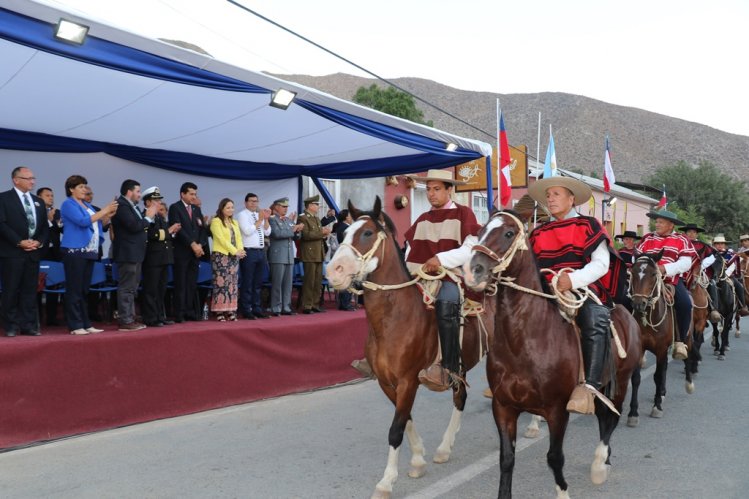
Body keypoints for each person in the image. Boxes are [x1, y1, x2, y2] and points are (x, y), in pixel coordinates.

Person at [527, 176, 625, 414]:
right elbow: (530, 267)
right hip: (545, 288)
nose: (550, 199)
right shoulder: (539, 232)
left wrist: (572, 280)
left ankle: (589, 387)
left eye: (556, 194)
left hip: (581, 287)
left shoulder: (588, 225)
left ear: (571, 199)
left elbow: (601, 264)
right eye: (548, 195)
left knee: (594, 317)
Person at [400, 170, 480, 391]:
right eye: (428, 190)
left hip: (452, 275)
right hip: (421, 275)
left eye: (436, 189)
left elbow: (470, 249)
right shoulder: (422, 219)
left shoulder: (464, 214)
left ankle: (449, 367)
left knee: (447, 302)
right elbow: (410, 251)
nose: (431, 194)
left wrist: (440, 259)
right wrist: (411, 271)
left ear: (449, 190)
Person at [59, 175, 117, 335]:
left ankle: (85, 323)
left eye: (85, 186)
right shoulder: (67, 204)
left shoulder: (87, 205)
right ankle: (75, 325)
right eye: (80, 187)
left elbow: (97, 223)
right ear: (71, 189)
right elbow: (83, 222)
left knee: (84, 289)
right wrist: (104, 210)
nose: (84, 189)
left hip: (89, 251)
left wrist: (107, 217)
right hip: (75, 251)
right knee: (74, 289)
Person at [637, 209, 698, 360]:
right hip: (646, 279)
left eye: (660, 222)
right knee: (625, 300)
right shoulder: (647, 238)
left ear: (671, 225)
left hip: (670, 280)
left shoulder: (681, 239)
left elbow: (686, 263)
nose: (656, 224)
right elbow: (636, 257)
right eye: (656, 222)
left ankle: (680, 341)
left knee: (685, 304)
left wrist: (665, 269)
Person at [0, 167, 49, 337]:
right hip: (12, 253)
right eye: (28, 178)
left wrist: (39, 241)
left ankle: (28, 325)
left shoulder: (38, 201)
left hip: (33, 253)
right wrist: (19, 242)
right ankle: (11, 326)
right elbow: (2, 225)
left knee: (29, 291)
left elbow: (44, 227)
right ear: (16, 180)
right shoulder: (3, 198)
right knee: (11, 290)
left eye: (33, 178)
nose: (32, 181)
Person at [112, 179, 157, 331]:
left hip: (135, 253)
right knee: (127, 287)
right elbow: (133, 226)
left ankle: (130, 316)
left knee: (133, 287)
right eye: (138, 191)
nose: (139, 195)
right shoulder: (122, 205)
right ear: (129, 192)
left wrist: (147, 218)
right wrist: (148, 217)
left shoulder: (132, 206)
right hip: (127, 253)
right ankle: (125, 320)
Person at [169, 182, 208, 322]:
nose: (194, 196)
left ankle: (189, 310)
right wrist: (192, 244)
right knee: (181, 283)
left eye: (195, 194)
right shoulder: (175, 208)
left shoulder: (196, 210)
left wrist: (200, 245)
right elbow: (179, 230)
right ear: (182, 194)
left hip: (195, 252)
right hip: (182, 252)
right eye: (191, 194)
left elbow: (202, 229)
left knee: (192, 283)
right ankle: (179, 312)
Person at [141, 187, 180, 327]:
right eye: (155, 200)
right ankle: (150, 317)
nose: (159, 203)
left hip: (164, 257)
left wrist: (171, 232)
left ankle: (159, 316)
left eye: (159, 200)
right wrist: (169, 231)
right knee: (151, 289)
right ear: (147, 202)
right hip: (152, 258)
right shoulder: (145, 217)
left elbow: (165, 236)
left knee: (161, 289)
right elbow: (152, 235)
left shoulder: (159, 217)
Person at [209, 198, 246, 321]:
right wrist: (235, 251)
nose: (231, 210)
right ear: (222, 208)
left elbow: (239, 238)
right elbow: (221, 239)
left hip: (234, 257)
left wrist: (240, 250)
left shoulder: (234, 222)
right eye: (228, 208)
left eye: (232, 207)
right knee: (221, 284)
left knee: (232, 284)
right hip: (221, 256)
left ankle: (230, 309)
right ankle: (219, 311)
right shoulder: (216, 221)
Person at [237, 193, 272, 319]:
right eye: (251, 201)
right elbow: (247, 231)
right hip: (249, 251)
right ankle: (246, 309)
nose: (254, 204)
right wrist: (259, 220)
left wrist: (266, 219)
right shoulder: (242, 215)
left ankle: (257, 308)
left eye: (256, 201)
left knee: (258, 282)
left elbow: (268, 231)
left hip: (260, 251)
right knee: (248, 281)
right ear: (245, 202)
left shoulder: (259, 215)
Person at [268, 197, 303, 316]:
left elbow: (296, 237)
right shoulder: (272, 220)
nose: (286, 209)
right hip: (277, 255)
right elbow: (277, 234)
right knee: (277, 283)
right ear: (276, 207)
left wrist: (297, 231)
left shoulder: (288, 220)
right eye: (283, 206)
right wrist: (293, 229)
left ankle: (286, 307)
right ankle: (276, 308)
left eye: (287, 207)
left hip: (288, 256)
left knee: (288, 284)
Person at [679, 223, 720, 323]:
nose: (691, 234)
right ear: (685, 233)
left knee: (712, 284)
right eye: (689, 232)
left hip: (698, 273)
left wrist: (701, 266)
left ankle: (713, 309)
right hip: (681, 273)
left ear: (697, 234)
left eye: (694, 232)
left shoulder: (702, 245)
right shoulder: (681, 244)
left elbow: (712, 257)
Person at [298, 195, 332, 314]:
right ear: (310, 205)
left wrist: (324, 234)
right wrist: (321, 232)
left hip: (318, 252)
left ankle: (315, 304)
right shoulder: (303, 218)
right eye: (316, 204)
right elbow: (306, 235)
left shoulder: (316, 218)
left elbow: (317, 234)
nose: (318, 206)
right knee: (309, 281)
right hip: (310, 253)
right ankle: (307, 305)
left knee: (317, 281)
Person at [36, 186, 63, 326]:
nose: (51, 198)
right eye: (47, 195)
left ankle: (52, 318)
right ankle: (37, 318)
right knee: (37, 288)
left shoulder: (57, 212)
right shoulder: (35, 213)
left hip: (55, 254)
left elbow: (62, 228)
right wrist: (49, 221)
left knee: (54, 286)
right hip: (40, 254)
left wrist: (52, 221)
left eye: (52, 195)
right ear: (39, 198)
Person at [712, 234, 748, 316]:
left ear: (725, 244)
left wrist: (724, 275)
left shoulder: (730, 253)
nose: (720, 245)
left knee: (739, 286)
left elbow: (732, 266)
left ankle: (742, 306)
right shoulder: (711, 254)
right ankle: (709, 310)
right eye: (717, 244)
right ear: (714, 245)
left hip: (728, 276)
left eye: (722, 243)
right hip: (713, 276)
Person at [333, 209, 356, 311]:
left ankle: (343, 303)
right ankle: (346, 304)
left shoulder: (339, 227)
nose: (351, 218)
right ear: (346, 217)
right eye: (350, 215)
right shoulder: (347, 228)